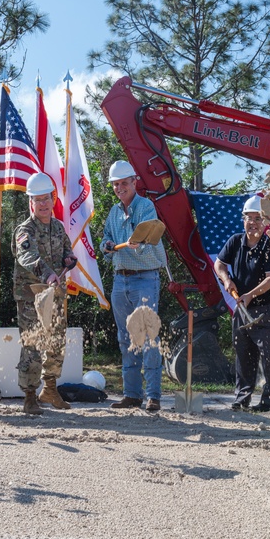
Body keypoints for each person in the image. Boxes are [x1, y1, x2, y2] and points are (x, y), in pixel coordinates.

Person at [100, 160, 166, 412]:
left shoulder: (145, 207)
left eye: (124, 183)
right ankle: (132, 394)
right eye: (115, 184)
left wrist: (139, 244)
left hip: (145, 277)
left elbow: (150, 237)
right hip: (121, 279)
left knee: (148, 335)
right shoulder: (113, 213)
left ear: (134, 182)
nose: (119, 188)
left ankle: (153, 396)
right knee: (125, 336)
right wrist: (106, 245)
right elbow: (107, 237)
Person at [13, 172, 77, 415]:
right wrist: (48, 273)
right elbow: (27, 256)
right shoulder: (24, 230)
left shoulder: (58, 227)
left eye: (46, 198)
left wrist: (68, 259)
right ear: (31, 202)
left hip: (56, 295)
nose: (43, 204)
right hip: (31, 296)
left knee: (56, 342)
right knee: (32, 343)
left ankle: (50, 388)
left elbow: (66, 251)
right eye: (38, 200)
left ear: (53, 199)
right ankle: (30, 396)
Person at [214, 196, 270, 412]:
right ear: (243, 219)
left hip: (268, 308)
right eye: (248, 218)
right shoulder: (235, 241)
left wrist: (250, 295)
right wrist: (226, 280)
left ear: (265, 221)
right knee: (243, 353)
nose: (252, 223)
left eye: (257, 218)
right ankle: (242, 397)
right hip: (243, 307)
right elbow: (219, 264)